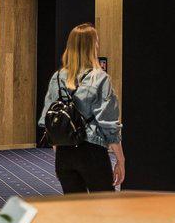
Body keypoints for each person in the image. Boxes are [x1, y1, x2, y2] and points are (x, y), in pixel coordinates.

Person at [38, 23, 125, 193]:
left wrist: (60, 150)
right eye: (96, 41)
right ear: (92, 46)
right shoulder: (99, 78)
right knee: (104, 205)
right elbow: (109, 124)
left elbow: (47, 121)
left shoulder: (57, 77)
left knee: (75, 206)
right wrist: (120, 160)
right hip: (92, 152)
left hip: (64, 153)